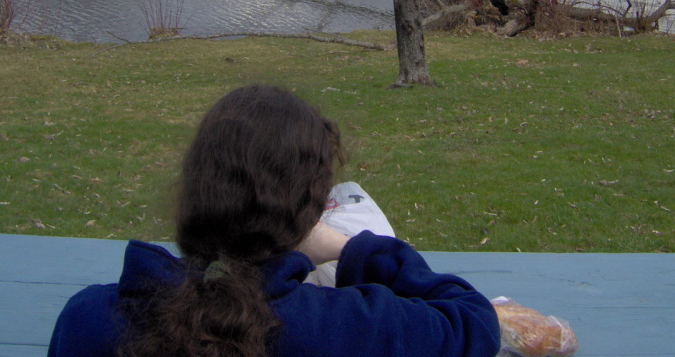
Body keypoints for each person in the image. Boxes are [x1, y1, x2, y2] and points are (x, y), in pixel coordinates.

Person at [48, 85, 501, 357]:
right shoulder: (351, 327)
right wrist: (354, 249)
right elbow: (475, 322)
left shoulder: (89, 320)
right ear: (310, 210)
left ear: (194, 193)